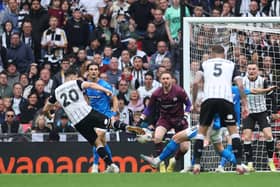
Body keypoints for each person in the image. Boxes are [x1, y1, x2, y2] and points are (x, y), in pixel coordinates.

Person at [43, 68, 143, 173]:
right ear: (72, 76)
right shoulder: (76, 82)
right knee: (111, 124)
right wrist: (105, 90)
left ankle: (110, 165)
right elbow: (91, 85)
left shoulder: (56, 91)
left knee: (97, 142)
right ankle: (126, 127)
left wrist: (49, 115)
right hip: (88, 113)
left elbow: (46, 108)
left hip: (77, 122)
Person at [191, 45, 249, 175]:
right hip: (226, 100)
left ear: (212, 53)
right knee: (233, 133)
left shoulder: (205, 64)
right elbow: (240, 85)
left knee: (201, 133)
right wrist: (245, 104)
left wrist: (194, 102)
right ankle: (239, 165)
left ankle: (196, 165)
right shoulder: (231, 64)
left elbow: (195, 83)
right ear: (224, 54)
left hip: (209, 99)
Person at [137, 71, 191, 172]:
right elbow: (149, 108)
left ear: (171, 80)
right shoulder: (156, 93)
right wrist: (141, 119)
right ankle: (160, 163)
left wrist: (185, 117)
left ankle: (173, 161)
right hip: (165, 119)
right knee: (157, 137)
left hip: (179, 119)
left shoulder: (179, 91)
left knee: (185, 148)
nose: (165, 80)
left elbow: (188, 104)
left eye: (167, 78)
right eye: (163, 79)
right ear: (160, 81)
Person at [242, 62, 278, 172]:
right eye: (249, 69)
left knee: (268, 135)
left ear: (257, 70)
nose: (251, 71)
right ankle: (250, 164)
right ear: (247, 70)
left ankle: (270, 161)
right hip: (249, 113)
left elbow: (272, 96)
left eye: (253, 69)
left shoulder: (263, 81)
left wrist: (275, 111)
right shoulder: (242, 81)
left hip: (262, 112)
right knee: (247, 137)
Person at [85, 62, 118, 173]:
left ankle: (95, 166)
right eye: (91, 69)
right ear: (88, 72)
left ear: (98, 71)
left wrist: (113, 115)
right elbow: (86, 101)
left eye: (95, 69)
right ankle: (112, 165)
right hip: (93, 117)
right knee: (103, 142)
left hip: (105, 116)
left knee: (96, 139)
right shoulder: (86, 86)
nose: (94, 71)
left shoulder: (105, 85)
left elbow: (114, 99)